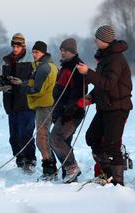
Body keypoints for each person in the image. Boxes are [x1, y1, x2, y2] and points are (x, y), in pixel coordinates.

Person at [77, 25, 133, 186]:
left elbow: (108, 84)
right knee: (92, 137)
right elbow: (103, 85)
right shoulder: (105, 57)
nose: (95, 40)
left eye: (97, 38)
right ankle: (107, 175)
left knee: (112, 146)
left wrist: (88, 72)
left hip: (117, 108)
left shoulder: (115, 59)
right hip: (105, 107)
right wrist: (91, 96)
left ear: (105, 40)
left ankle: (117, 183)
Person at [10, 41, 58, 179]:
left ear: (43, 52)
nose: (34, 55)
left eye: (37, 52)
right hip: (42, 106)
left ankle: (49, 170)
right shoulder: (43, 66)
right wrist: (22, 82)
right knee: (45, 138)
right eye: (33, 52)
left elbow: (37, 89)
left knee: (41, 139)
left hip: (45, 106)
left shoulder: (44, 68)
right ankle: (51, 168)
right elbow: (34, 84)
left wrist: (21, 88)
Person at [0, 33, 36, 173]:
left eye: (18, 46)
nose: (15, 48)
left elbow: (35, 80)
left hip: (26, 103)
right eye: (13, 46)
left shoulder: (31, 60)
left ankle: (30, 159)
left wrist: (21, 83)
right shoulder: (7, 60)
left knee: (26, 134)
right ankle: (19, 159)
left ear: (23, 46)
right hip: (11, 103)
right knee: (14, 136)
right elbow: (4, 78)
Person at [49, 38, 88, 183]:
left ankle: (71, 167)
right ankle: (70, 175)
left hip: (72, 113)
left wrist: (70, 109)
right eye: (61, 50)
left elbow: (79, 90)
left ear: (72, 52)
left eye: (65, 50)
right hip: (61, 111)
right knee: (64, 142)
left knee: (55, 138)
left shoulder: (76, 68)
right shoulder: (65, 67)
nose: (62, 52)